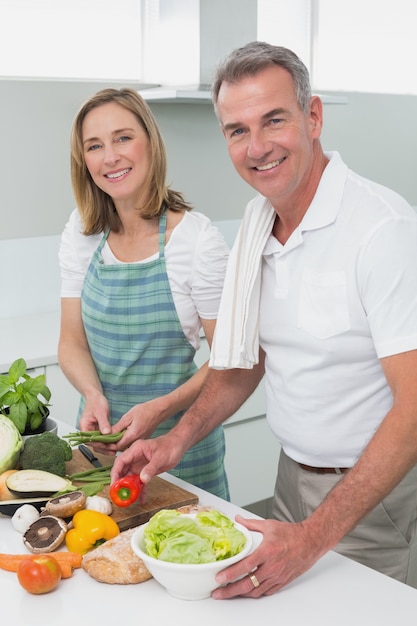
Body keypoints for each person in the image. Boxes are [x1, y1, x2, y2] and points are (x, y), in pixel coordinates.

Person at [110, 41, 417, 597]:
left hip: (370, 499)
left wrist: (312, 537)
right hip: (289, 481)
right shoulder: (257, 221)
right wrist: (175, 441)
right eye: (236, 130)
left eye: (273, 120)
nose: (257, 147)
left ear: (313, 116)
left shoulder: (383, 230)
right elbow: (245, 362)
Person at [58, 87, 230, 499]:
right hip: (101, 451)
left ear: (150, 142)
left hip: (181, 454)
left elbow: (227, 360)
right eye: (94, 146)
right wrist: (92, 394)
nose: (110, 156)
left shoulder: (197, 241)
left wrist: (163, 408)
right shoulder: (82, 234)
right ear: (84, 161)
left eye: (123, 137)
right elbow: (71, 341)